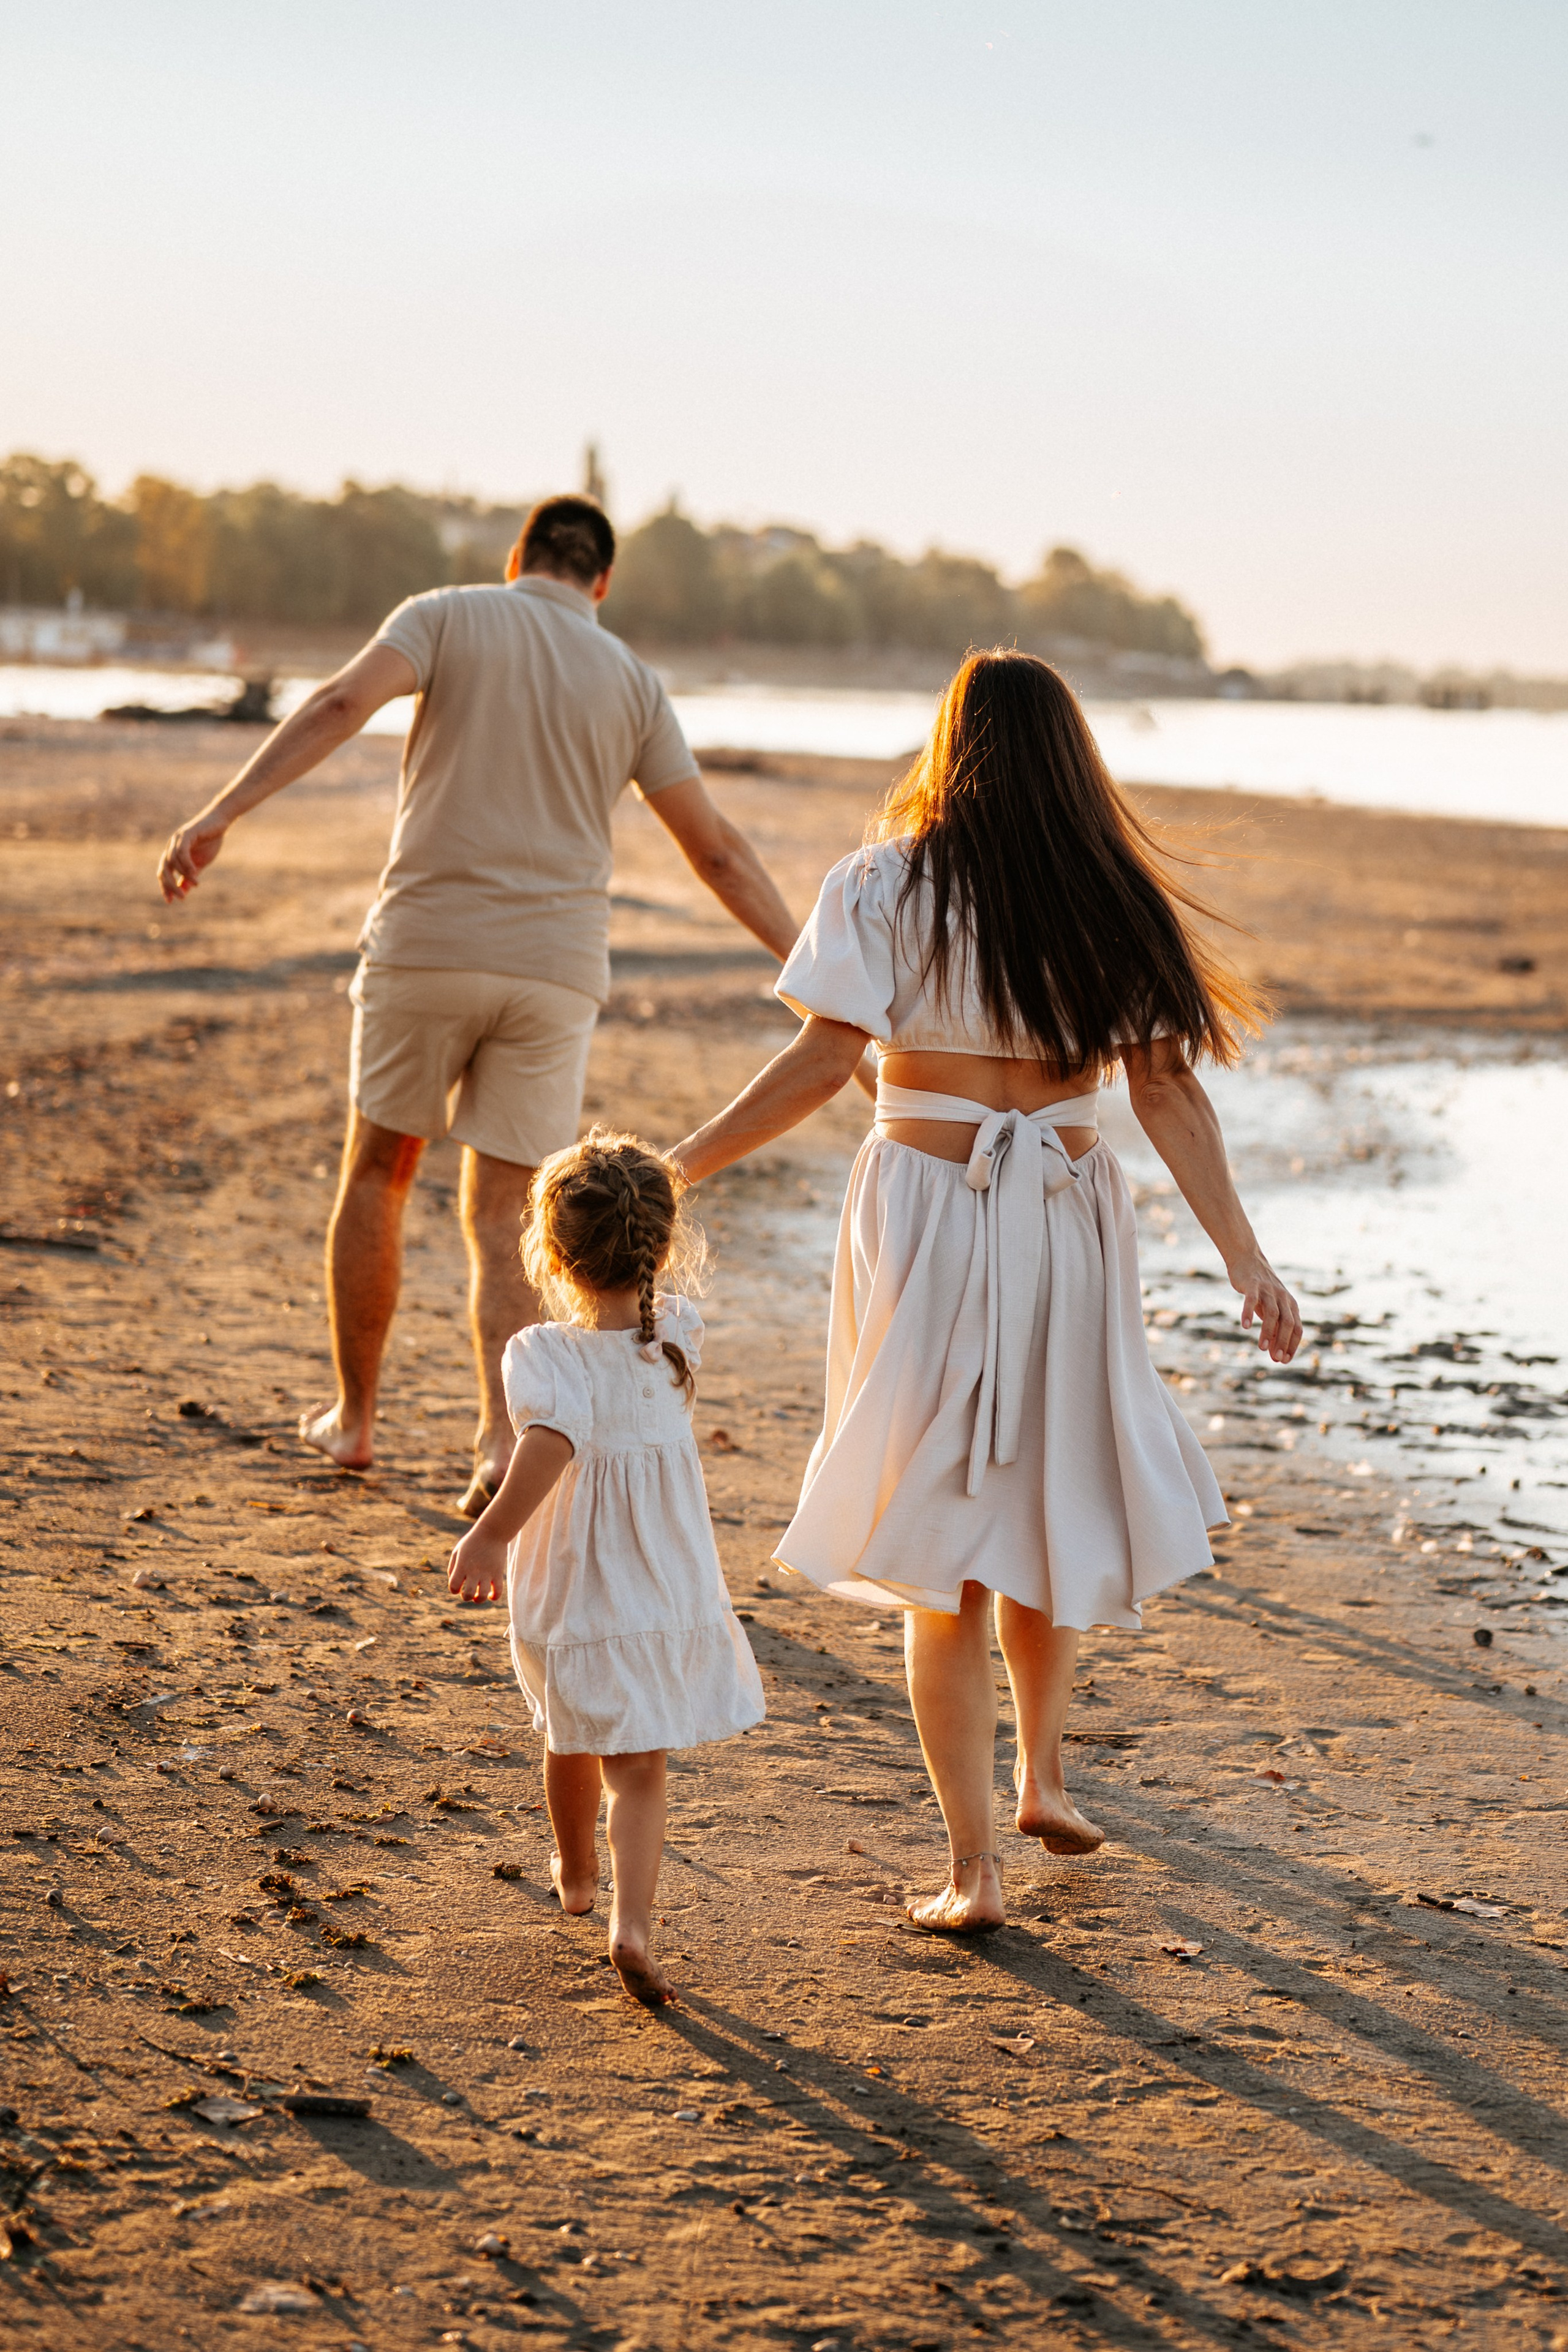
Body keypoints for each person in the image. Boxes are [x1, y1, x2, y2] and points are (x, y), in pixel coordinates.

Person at [671, 649, 1302, 1934]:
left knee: (935, 1543)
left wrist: (681, 1162)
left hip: (924, 1217)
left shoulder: (880, 882)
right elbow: (1166, 1094)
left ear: (948, 746)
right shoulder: (1108, 896)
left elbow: (819, 1062)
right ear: (1072, 758)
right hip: (1064, 1217)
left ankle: (972, 1867)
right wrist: (1246, 1257)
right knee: (1046, 1501)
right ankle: (1046, 1774)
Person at [155, 495, 801, 1512]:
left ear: (519, 559)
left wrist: (221, 811)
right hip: (552, 971)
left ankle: (356, 1421)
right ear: (603, 582)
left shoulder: (448, 614)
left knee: (379, 1169)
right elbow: (714, 848)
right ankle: (500, 1442)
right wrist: (812, 972)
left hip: (427, 947)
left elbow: (337, 706)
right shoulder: (632, 680)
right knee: (506, 1210)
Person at [445, 1129, 763, 2003]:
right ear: (662, 1245)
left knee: (570, 1729)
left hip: (576, 1584)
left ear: (551, 1252)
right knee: (641, 1768)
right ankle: (633, 1923)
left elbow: (549, 1446)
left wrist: (492, 1535)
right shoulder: (676, 1341)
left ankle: (578, 1875)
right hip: (662, 1582)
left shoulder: (542, 1355)